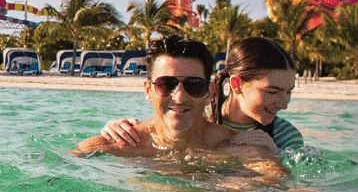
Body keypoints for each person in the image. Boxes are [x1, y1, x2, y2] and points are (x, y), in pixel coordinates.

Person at [71, 35, 283, 163]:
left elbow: (282, 191)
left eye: (194, 85)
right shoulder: (119, 145)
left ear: (209, 93)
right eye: (166, 84)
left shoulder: (239, 148)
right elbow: (62, 167)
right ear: (148, 90)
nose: (180, 96)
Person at [102, 37, 304, 151]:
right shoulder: (195, 114)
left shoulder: (284, 135)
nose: (284, 104)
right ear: (237, 84)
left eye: (288, 92)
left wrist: (275, 155)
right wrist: (115, 129)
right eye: (272, 91)